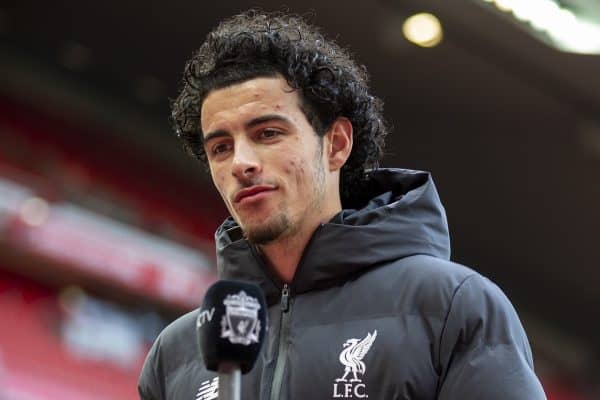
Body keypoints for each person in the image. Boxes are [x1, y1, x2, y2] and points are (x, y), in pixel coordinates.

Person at [138, 10, 546, 400]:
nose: (241, 162)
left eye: (267, 133)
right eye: (221, 147)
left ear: (336, 144)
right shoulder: (174, 356)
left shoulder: (450, 306)